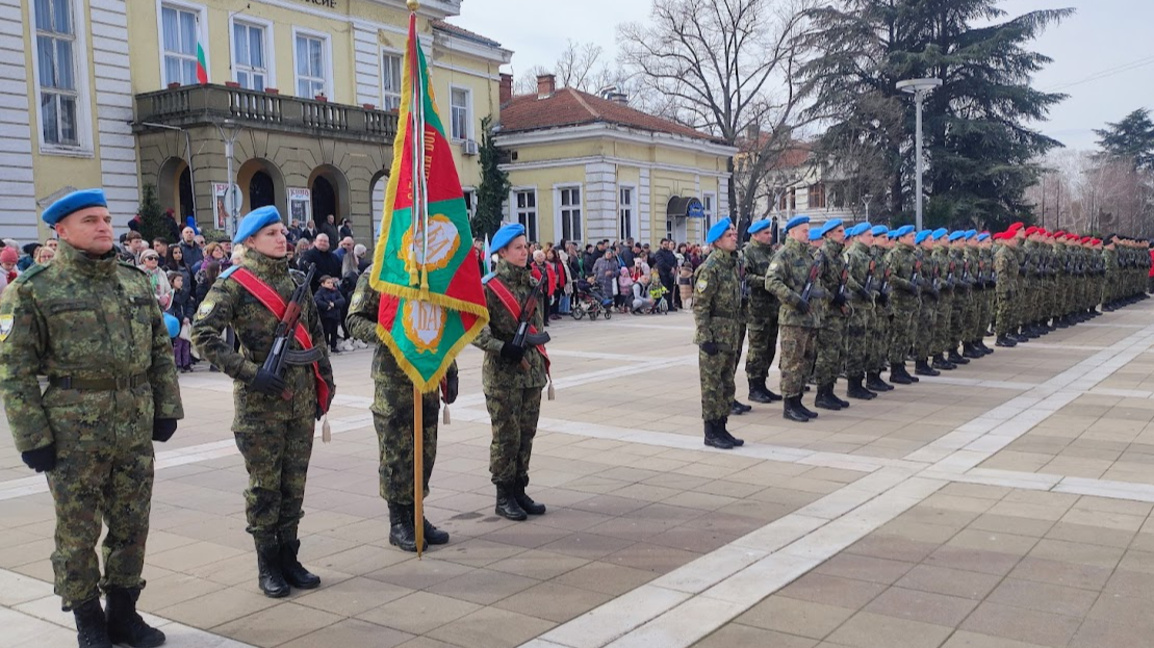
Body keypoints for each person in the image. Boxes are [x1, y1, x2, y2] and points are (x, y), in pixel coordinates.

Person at [0, 188, 183, 648]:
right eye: (90, 220)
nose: (104, 226)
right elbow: (14, 371)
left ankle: (123, 613)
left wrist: (167, 409)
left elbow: (160, 352)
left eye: (105, 218)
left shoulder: (134, 281)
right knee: (77, 532)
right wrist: (31, 437)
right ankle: (88, 620)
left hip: (134, 425)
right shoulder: (32, 289)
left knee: (131, 524)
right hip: (72, 434)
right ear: (60, 230)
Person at [190, 206, 335, 599]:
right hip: (260, 406)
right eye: (271, 233)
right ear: (249, 241)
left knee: (294, 486)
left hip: (301, 402)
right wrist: (250, 371)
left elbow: (316, 337)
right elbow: (201, 335)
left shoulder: (295, 281)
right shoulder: (234, 284)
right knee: (265, 489)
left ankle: (290, 556)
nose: (281, 238)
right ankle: (267, 564)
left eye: (282, 231)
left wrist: (326, 384)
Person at [345, 269, 457, 552]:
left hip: (427, 373)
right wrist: (389, 333)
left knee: (425, 450)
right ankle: (399, 522)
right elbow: (354, 320)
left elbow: (443, 324)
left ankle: (416, 514)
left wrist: (450, 368)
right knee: (397, 453)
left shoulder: (431, 274)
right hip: (392, 378)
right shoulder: (378, 274)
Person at [472, 223, 550, 521]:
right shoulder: (488, 286)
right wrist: (503, 348)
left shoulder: (531, 281)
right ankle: (503, 495)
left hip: (530, 373)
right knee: (506, 437)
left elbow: (538, 326)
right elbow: (476, 331)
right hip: (503, 374)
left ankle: (520, 488)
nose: (525, 251)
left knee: (526, 434)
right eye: (518, 247)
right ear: (501, 252)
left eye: (526, 246)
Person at [693, 218, 744, 449]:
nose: (734, 237)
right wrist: (705, 338)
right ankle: (711, 432)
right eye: (729, 235)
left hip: (730, 335)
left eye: (734, 234)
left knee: (726, 384)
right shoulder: (710, 268)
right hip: (714, 337)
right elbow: (701, 306)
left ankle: (722, 428)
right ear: (717, 241)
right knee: (712, 386)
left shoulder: (731, 265)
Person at [766, 215, 823, 422]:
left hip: (809, 318)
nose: (808, 234)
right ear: (792, 233)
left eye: (808, 231)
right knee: (792, 362)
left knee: (806, 361)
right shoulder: (785, 255)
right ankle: (789, 405)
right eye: (804, 231)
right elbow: (771, 281)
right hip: (792, 318)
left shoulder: (809, 256)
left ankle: (798, 401)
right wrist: (794, 299)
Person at [742, 218, 782, 404]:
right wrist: (766, 281)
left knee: (770, 348)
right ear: (755, 235)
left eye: (769, 232)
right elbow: (745, 277)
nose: (769, 236)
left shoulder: (772, 253)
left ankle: (762, 384)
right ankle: (754, 387)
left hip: (773, 308)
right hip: (757, 309)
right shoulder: (747, 253)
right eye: (766, 233)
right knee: (757, 349)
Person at [168, 272, 194, 372]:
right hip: (177, 321)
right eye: (178, 280)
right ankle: (178, 363)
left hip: (186, 321)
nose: (180, 282)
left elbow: (190, 305)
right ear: (172, 281)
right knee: (178, 343)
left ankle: (186, 362)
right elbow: (173, 309)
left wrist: (188, 316)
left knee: (186, 342)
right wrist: (182, 318)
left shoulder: (185, 293)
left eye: (181, 280)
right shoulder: (171, 295)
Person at [313, 275, 345, 353]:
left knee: (334, 332)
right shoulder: (320, 292)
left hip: (335, 315)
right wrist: (327, 306)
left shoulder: (335, 291)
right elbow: (317, 301)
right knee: (326, 332)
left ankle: (334, 346)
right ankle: (326, 346)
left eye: (331, 282)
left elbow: (342, 300)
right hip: (326, 316)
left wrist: (334, 304)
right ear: (323, 284)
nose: (330, 284)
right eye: (328, 283)